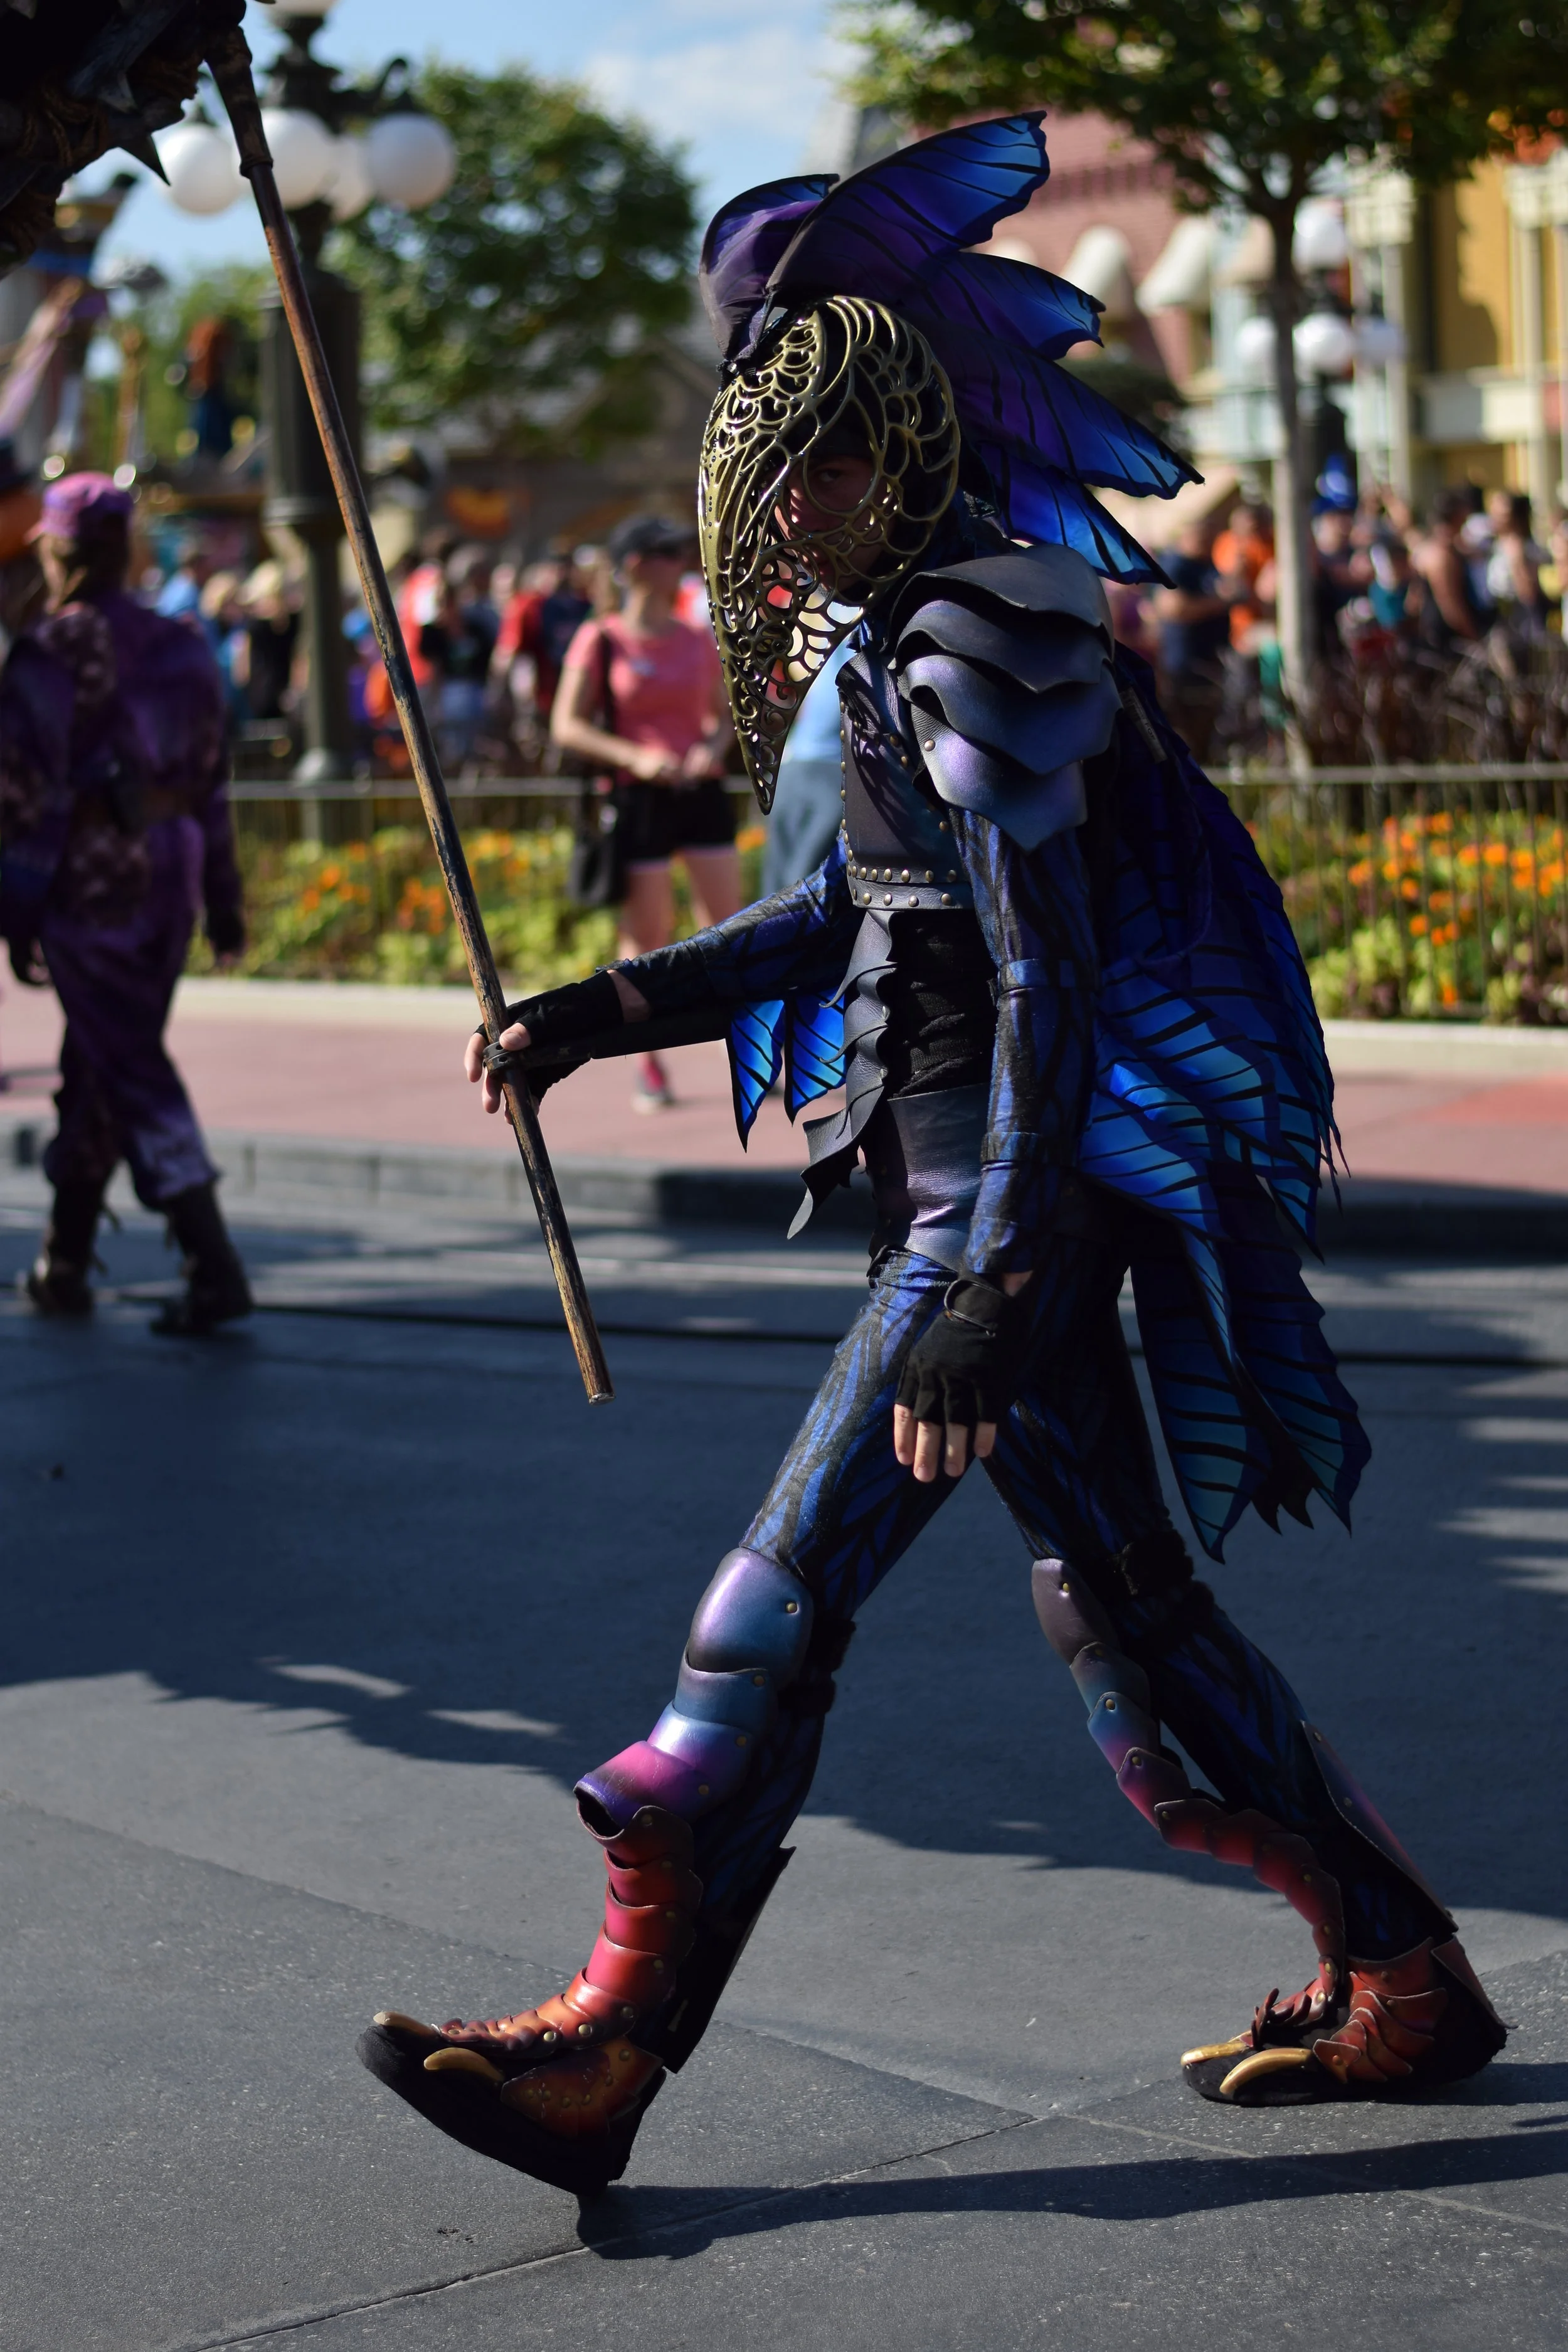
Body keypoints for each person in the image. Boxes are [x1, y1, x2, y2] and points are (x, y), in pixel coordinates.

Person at [360, 117, 1505, 2196]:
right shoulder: (909, 641)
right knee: (1137, 1635)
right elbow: (868, 927)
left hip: (996, 1228)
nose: (784, 497)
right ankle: (1407, 1972)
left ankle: (608, 2052)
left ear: (889, 438)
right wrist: (597, 1012)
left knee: (762, 1625)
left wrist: (988, 1280)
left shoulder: (987, 632)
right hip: (984, 1226)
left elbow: (1052, 980)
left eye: (810, 456)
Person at [0, 473, 251, 1335]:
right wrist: (222, 897)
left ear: (56, 549)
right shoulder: (183, 643)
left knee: (131, 1064)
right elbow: (215, 781)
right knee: (100, 1059)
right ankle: (63, 1259)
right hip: (174, 872)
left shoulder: (50, 649)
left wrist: (17, 912)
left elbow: (19, 799)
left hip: (93, 881)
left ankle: (212, 1263)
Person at [549, 512, 739, 1112]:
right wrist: (638, 755)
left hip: (698, 791)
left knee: (731, 925)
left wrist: (710, 748)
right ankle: (649, 1064)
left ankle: (745, 1050)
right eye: (666, 552)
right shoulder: (601, 637)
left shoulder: (691, 636)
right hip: (638, 796)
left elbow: (721, 714)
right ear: (635, 565)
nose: (679, 560)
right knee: (648, 936)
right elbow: (566, 725)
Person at [761, 635, 855, 898]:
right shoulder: (817, 611)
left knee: (806, 883)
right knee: (777, 888)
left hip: (838, 769)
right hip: (796, 762)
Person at [1153, 517, 1228, 757]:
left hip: (1211, 661)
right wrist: (1219, 603)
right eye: (1204, 537)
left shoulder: (1207, 564)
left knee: (1208, 731)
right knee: (1188, 733)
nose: (1208, 542)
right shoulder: (1176, 565)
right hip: (1185, 665)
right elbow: (1174, 607)